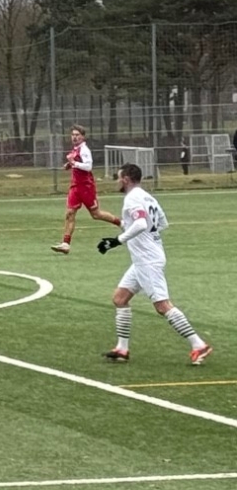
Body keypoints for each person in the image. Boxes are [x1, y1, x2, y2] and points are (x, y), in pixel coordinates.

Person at [98, 163, 211, 365]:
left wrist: (117, 241)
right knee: (120, 298)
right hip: (145, 258)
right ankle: (122, 349)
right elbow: (161, 224)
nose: (117, 181)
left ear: (126, 179)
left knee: (162, 306)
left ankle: (198, 344)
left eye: (118, 177)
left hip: (147, 260)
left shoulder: (132, 198)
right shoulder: (148, 197)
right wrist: (123, 226)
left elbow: (141, 224)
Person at [52, 125, 117, 253]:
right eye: (73, 135)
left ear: (83, 137)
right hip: (75, 187)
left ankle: (121, 223)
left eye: (77, 135)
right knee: (69, 213)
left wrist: (74, 163)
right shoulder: (76, 149)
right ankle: (66, 244)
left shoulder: (84, 150)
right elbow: (76, 163)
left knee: (96, 214)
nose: (74, 137)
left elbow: (88, 167)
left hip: (86, 187)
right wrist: (70, 165)